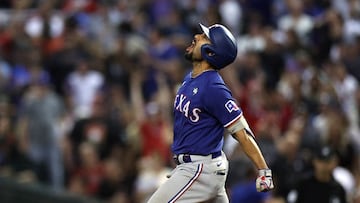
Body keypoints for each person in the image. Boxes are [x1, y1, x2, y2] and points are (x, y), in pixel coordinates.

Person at [147, 23, 274, 203]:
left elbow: (242, 132)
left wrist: (263, 170)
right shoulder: (190, 78)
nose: (197, 37)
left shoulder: (214, 87)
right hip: (199, 167)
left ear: (211, 52)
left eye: (205, 37)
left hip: (200, 169)